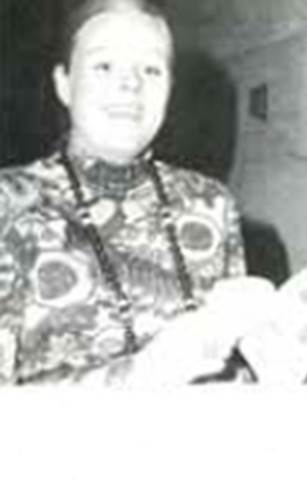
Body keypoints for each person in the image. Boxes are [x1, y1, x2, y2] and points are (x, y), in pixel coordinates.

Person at [0, 0, 254, 385]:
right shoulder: (11, 202)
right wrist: (138, 374)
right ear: (63, 84)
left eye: (151, 69)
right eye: (104, 66)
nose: (130, 83)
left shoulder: (211, 203)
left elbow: (237, 368)